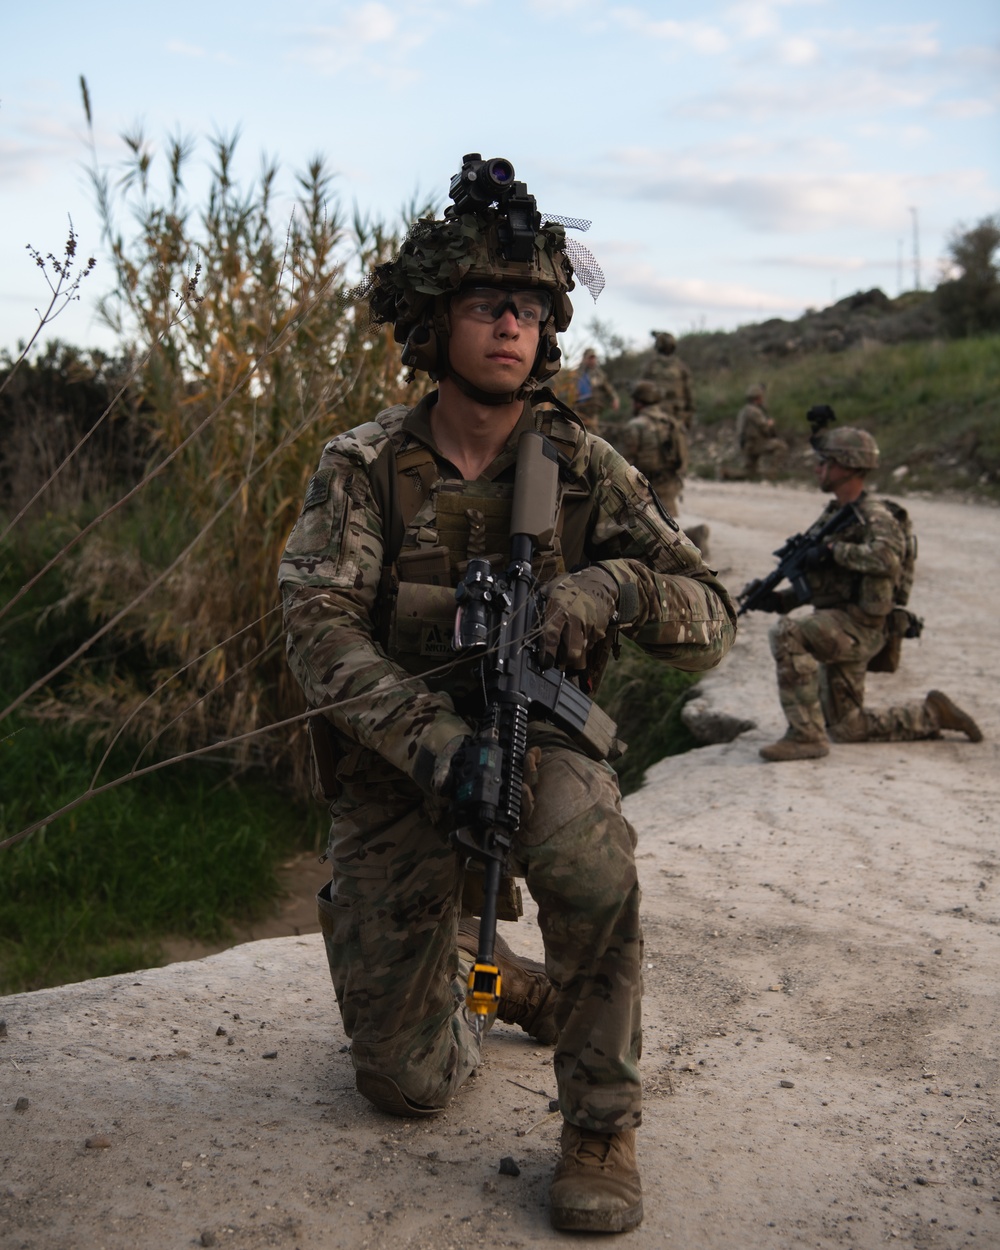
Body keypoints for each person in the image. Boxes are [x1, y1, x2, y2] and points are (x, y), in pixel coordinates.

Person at [277, 155, 737, 1234]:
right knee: (407, 1085)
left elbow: (708, 616)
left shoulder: (583, 465)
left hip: (540, 743)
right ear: (435, 323)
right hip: (408, 764)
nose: (509, 325)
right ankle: (504, 987)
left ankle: (600, 1121)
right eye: (486, 304)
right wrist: (439, 742)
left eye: (528, 307)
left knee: (588, 857)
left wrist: (609, 585)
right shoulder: (364, 466)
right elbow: (316, 629)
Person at [748, 427, 982, 762]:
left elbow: (887, 558)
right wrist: (779, 599)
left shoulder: (874, 515)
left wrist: (834, 551)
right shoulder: (834, 514)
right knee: (848, 728)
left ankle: (805, 736)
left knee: (788, 633)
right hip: (841, 622)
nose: (817, 468)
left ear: (846, 465)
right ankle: (932, 714)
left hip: (862, 626)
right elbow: (823, 580)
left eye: (824, 461)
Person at [619, 380, 688, 518]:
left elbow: (624, 464)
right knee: (670, 529)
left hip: (644, 487)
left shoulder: (635, 426)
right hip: (669, 484)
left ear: (638, 403)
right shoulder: (671, 423)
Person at [641, 330, 694, 429]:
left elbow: (642, 392)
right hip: (677, 415)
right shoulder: (681, 366)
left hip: (655, 416)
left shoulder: (650, 366)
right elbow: (689, 394)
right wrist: (689, 415)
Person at [736, 383, 787, 478]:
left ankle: (727, 474)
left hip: (746, 445)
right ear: (758, 398)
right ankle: (772, 473)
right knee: (781, 446)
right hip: (755, 444)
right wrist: (770, 424)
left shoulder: (743, 411)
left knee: (749, 473)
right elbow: (764, 427)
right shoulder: (755, 411)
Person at [574, 346, 619, 434]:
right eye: (590, 358)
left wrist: (614, 399)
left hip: (593, 411)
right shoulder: (577, 373)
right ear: (584, 359)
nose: (592, 360)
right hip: (578, 410)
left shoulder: (599, 374)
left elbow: (608, 388)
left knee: (592, 436)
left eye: (594, 358)